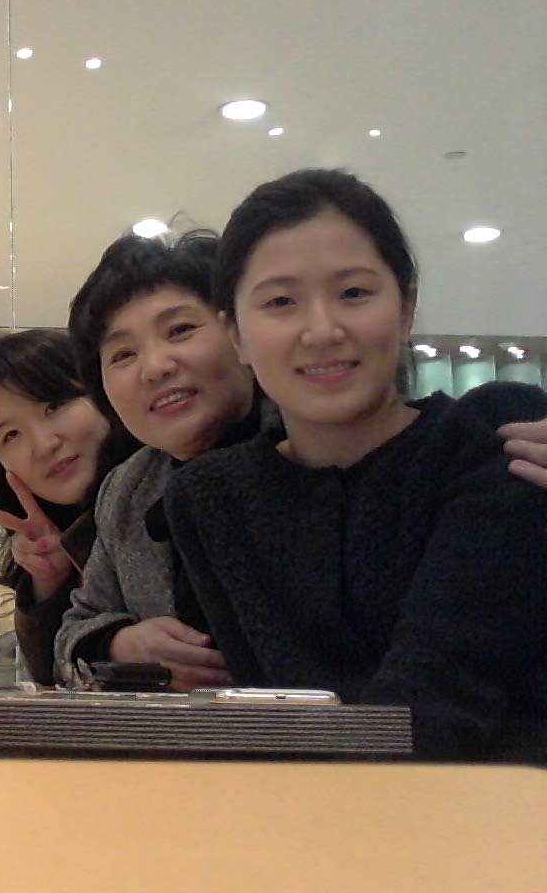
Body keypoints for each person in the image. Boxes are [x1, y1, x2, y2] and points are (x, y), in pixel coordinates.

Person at [165, 169, 547, 762]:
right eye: (281, 302)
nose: (322, 330)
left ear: (406, 306)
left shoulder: (490, 442)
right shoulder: (209, 497)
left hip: (498, 805)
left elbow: (440, 698)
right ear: (234, 333)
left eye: (354, 293)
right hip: (309, 806)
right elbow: (252, 708)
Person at [52, 231, 257, 689]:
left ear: (241, 333)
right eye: (123, 354)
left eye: (180, 330)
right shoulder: (129, 487)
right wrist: (118, 645)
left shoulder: (311, 447)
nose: (155, 366)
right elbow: (75, 630)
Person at [0, 329, 138, 685]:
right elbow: (54, 687)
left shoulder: (166, 491)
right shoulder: (67, 539)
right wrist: (50, 584)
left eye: (55, 405)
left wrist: (116, 644)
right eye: (11, 435)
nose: (43, 444)